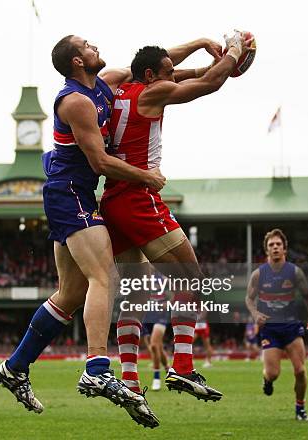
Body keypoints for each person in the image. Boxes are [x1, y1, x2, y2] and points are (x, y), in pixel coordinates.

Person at [0, 34, 221, 428]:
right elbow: (98, 162)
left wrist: (201, 48)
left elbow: (159, 70)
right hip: (71, 194)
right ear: (78, 62)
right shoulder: (76, 101)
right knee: (105, 276)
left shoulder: (106, 82)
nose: (94, 45)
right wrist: (145, 177)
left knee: (69, 295)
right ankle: (97, 367)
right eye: (87, 45)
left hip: (75, 195)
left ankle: (14, 367)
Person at [100, 32, 253, 401]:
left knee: (133, 295)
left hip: (112, 199)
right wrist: (232, 51)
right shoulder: (151, 94)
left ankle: (131, 382)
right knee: (192, 280)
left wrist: (202, 45)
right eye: (169, 71)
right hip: (139, 198)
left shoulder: (120, 84)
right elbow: (208, 85)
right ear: (151, 76)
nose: (175, 74)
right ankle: (183, 367)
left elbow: (178, 71)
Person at [246, 228, 308, 421]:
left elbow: (307, 296)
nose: (275, 248)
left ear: (284, 249)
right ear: (266, 250)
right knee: (273, 374)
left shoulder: (295, 272)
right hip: (270, 329)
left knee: (300, 370)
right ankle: (266, 379)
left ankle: (300, 409)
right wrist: (255, 313)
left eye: (278, 244)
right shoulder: (258, 274)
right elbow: (249, 298)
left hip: (291, 327)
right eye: (271, 245)